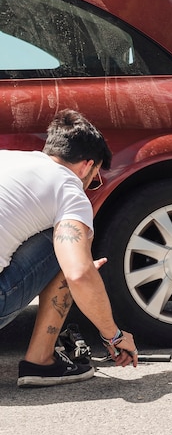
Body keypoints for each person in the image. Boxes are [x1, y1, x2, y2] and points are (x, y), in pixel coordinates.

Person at [0, 109, 139, 387]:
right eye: (94, 178)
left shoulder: (7, 158)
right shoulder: (69, 188)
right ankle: (40, 360)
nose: (89, 185)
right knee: (68, 245)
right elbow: (77, 273)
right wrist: (112, 334)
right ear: (87, 166)